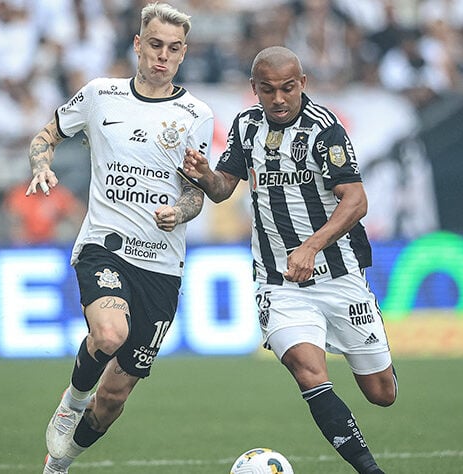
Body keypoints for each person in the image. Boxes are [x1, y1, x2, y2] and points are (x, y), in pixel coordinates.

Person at [182, 46, 396, 474]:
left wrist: (312, 246)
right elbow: (225, 187)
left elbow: (356, 201)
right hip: (278, 282)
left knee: (381, 393)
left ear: (303, 84)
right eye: (268, 90)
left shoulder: (325, 130)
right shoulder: (246, 127)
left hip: (339, 275)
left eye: (287, 88)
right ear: (254, 89)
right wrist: (206, 175)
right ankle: (370, 470)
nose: (278, 99)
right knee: (308, 372)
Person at [25, 3, 213, 473]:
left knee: (112, 399)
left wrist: (180, 210)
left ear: (183, 54)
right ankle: (70, 401)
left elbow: (196, 195)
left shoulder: (196, 114)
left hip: (162, 267)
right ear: (137, 44)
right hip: (105, 246)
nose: (162, 56)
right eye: (154, 45)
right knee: (109, 332)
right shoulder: (100, 95)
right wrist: (40, 165)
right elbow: (45, 135)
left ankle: (61, 460)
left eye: (173, 49)